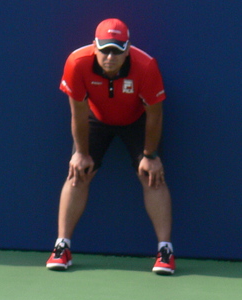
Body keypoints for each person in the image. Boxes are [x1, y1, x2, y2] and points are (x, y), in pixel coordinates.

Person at [48, 18, 175, 275]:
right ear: (94, 47)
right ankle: (62, 247)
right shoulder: (77, 62)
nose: (110, 56)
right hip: (95, 118)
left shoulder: (146, 66)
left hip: (137, 120)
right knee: (77, 173)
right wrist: (81, 154)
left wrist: (150, 155)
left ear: (127, 49)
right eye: (104, 49)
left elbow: (155, 115)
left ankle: (165, 251)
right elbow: (78, 113)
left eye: (116, 50)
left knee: (152, 175)